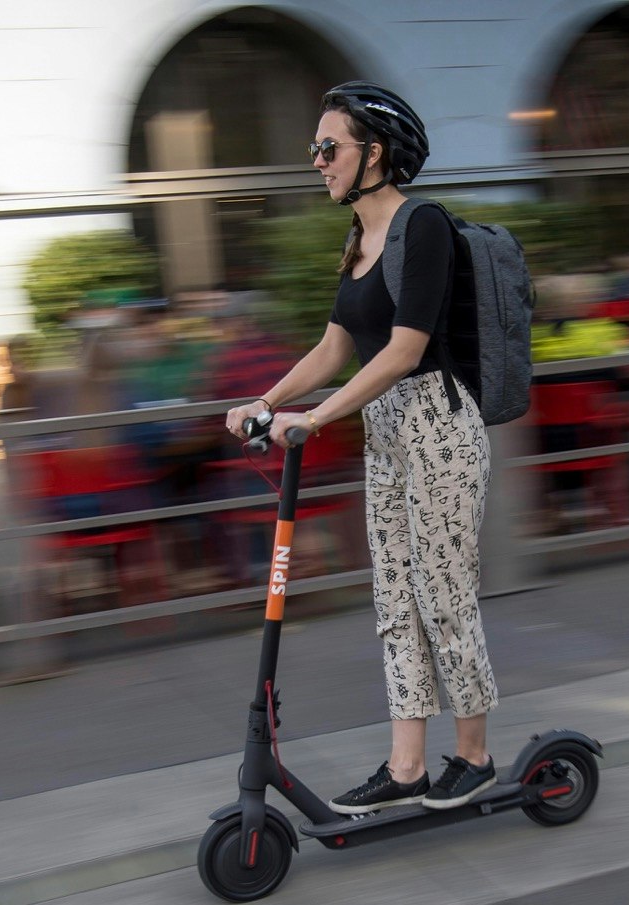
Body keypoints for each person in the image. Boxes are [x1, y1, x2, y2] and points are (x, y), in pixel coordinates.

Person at [224, 81, 500, 814]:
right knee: (395, 601)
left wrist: (314, 421)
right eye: (315, 148)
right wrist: (268, 401)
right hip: (386, 432)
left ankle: (474, 755)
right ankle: (406, 764)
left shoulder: (425, 226)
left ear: (374, 153)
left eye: (328, 147)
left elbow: (405, 350)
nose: (317, 161)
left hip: (437, 426)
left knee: (444, 597)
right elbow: (335, 346)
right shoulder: (356, 240)